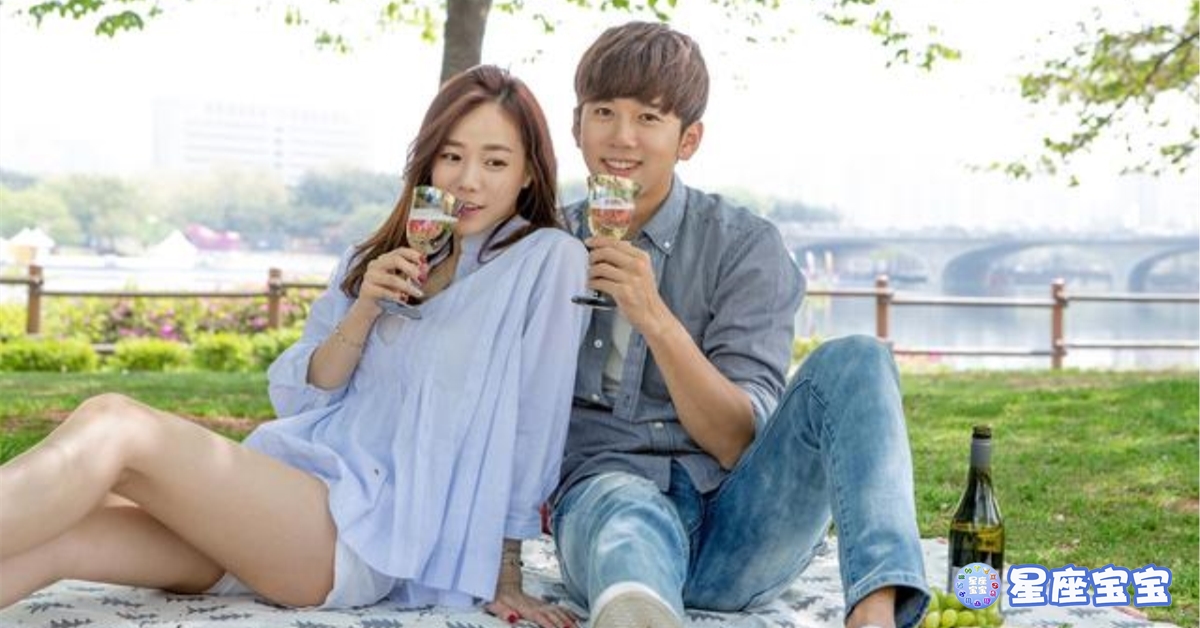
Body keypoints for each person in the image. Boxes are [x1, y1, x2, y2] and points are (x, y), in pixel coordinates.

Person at [0, 65, 585, 628]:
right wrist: (364, 308)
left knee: (116, 426)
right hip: (278, 502)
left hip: (358, 534)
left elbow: (536, 421)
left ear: (528, 173)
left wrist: (507, 571)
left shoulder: (547, 260)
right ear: (429, 162)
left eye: (495, 161)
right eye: (452, 156)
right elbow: (304, 396)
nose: (468, 180)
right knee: (61, 540)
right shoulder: (376, 258)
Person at [550, 22, 931, 628]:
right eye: (604, 112)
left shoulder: (744, 245)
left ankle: (875, 610)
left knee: (859, 358)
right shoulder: (544, 243)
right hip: (609, 510)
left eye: (649, 117)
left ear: (688, 139)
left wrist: (654, 317)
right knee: (624, 510)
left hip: (741, 525)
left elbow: (735, 440)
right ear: (577, 127)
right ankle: (639, 612)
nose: (622, 136)